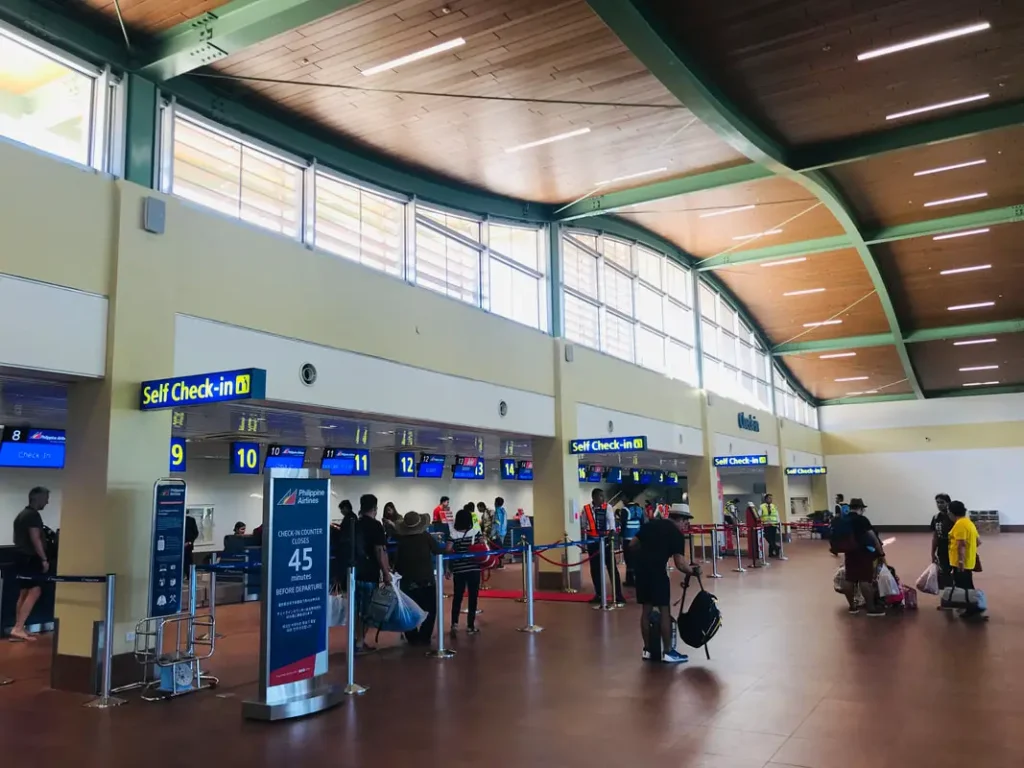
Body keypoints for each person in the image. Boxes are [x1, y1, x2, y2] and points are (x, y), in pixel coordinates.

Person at [629, 503, 700, 663]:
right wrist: (693, 571)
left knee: (646, 610)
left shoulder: (650, 525)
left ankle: (647, 650)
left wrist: (645, 554)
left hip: (641, 572)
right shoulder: (676, 534)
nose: (686, 525)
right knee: (664, 611)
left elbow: (632, 544)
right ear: (680, 519)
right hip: (657, 573)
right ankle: (668, 652)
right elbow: (680, 564)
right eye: (686, 521)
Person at [393, 511, 451, 645]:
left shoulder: (401, 540)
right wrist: (448, 550)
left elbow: (396, 561)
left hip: (407, 580)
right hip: (426, 578)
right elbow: (437, 550)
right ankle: (424, 635)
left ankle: (411, 636)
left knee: (408, 608)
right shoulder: (426, 537)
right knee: (430, 608)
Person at [10, 487, 50, 642]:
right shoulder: (32, 515)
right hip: (30, 558)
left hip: (20, 557)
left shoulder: (22, 515)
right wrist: (44, 559)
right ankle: (18, 627)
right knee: (35, 591)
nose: (47, 502)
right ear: (37, 498)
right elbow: (36, 539)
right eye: (45, 498)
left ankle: (19, 626)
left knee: (24, 592)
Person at [354, 493, 392, 651]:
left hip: (354, 573)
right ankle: (360, 642)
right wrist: (386, 572)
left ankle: (356, 639)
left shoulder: (354, 523)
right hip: (369, 573)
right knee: (367, 609)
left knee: (356, 609)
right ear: (375, 508)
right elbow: (379, 551)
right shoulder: (376, 526)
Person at [841, 498, 886, 617]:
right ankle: (871, 608)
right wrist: (881, 553)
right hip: (863, 552)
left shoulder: (843, 519)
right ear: (861, 508)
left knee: (849, 578)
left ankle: (852, 606)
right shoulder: (862, 520)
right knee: (864, 580)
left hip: (849, 552)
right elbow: (873, 537)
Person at [581, 488, 624, 605]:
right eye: (600, 496)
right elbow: (584, 525)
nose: (603, 499)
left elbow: (612, 524)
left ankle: (618, 595)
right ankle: (599, 594)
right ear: (594, 497)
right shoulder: (586, 509)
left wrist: (610, 537)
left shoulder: (608, 507)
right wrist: (584, 543)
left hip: (605, 542)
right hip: (592, 543)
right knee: (595, 569)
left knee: (612, 568)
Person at [449, 504, 483, 634]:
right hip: (474, 569)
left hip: (459, 570)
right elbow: (482, 546)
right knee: (473, 597)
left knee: (457, 596)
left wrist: (449, 568)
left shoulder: (453, 534)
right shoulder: (475, 532)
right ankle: (470, 626)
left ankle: (454, 624)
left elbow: (447, 550)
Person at [947, 500, 983, 618]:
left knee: (964, 586)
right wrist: (970, 551)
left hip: (961, 563)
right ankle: (973, 607)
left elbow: (961, 544)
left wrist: (961, 562)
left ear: (952, 512)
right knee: (967, 584)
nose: (948, 514)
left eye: (948, 512)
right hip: (969, 560)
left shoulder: (960, 524)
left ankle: (972, 609)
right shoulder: (968, 522)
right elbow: (978, 542)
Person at [930, 493, 954, 593]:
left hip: (953, 548)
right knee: (945, 573)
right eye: (938, 503)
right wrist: (932, 553)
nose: (939, 505)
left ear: (948, 503)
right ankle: (948, 597)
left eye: (942, 502)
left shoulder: (953, 518)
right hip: (942, 549)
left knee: (957, 573)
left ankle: (959, 596)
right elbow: (935, 536)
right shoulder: (936, 518)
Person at [760, 493, 781, 558]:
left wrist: (778, 523)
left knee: (772, 539)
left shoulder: (774, 506)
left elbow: (777, 515)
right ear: (766, 499)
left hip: (773, 525)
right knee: (768, 538)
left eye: (771, 498)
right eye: (769, 498)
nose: (770, 499)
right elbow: (759, 515)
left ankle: (771, 553)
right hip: (766, 525)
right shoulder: (762, 506)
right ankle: (777, 547)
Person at [744, 501, 761, 567]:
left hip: (755, 527)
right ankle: (754, 556)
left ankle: (755, 556)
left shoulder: (751, 509)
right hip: (753, 527)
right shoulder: (750, 510)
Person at [493, 497, 508, 568]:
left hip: (498, 533)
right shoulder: (504, 511)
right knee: (501, 547)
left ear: (496, 503)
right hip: (503, 531)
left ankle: (500, 563)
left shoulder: (497, 512)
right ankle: (500, 563)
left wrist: (493, 533)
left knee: (498, 548)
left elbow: (496, 524)